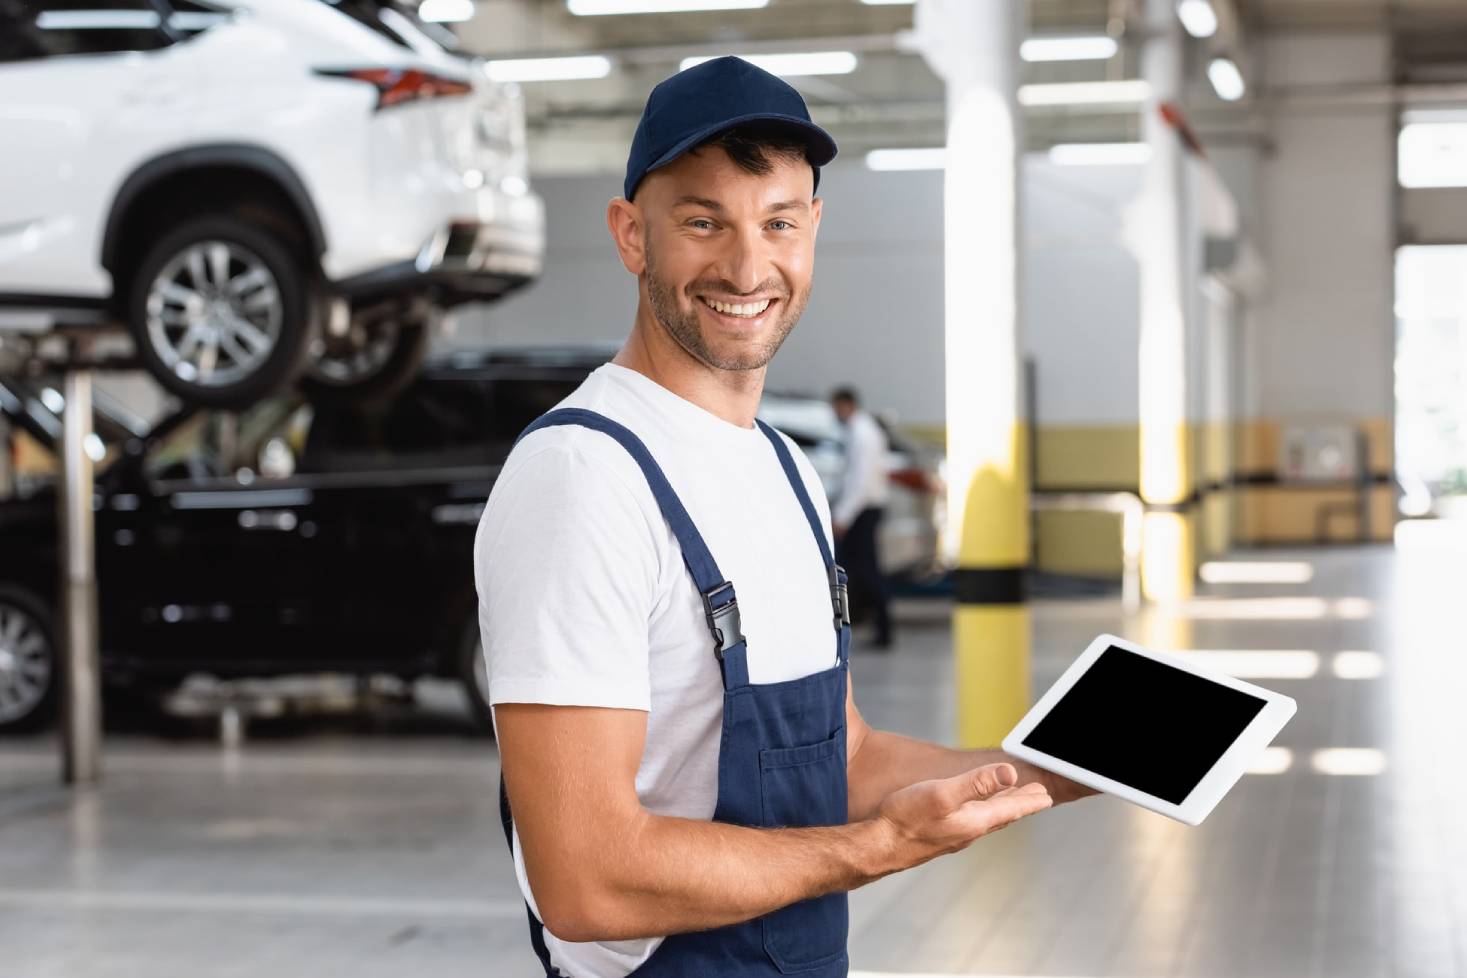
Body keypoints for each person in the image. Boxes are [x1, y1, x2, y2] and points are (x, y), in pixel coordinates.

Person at [474, 56, 1091, 978]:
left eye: (778, 223)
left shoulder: (786, 469)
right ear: (629, 234)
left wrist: (1048, 771)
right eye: (700, 222)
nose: (746, 265)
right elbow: (584, 880)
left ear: (813, 231)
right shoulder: (583, 477)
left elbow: (842, 758)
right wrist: (874, 850)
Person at [830, 387, 893, 649]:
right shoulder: (861, 430)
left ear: (847, 405)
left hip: (862, 512)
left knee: (865, 571)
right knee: (860, 571)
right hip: (864, 510)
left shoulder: (862, 433)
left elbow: (860, 481)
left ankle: (884, 629)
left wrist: (843, 516)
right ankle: (876, 628)